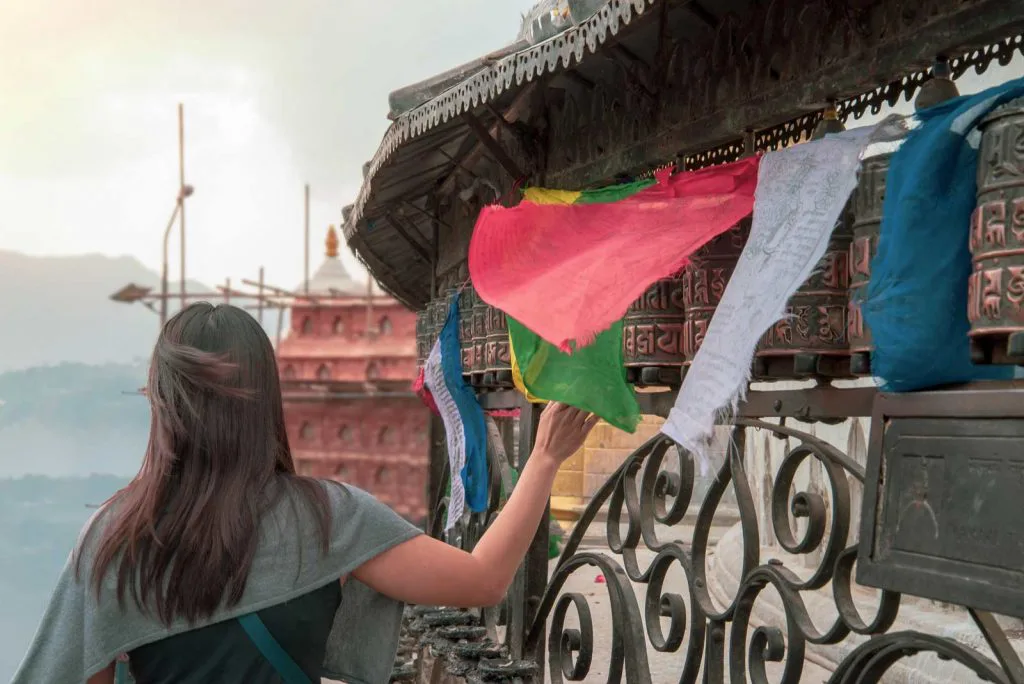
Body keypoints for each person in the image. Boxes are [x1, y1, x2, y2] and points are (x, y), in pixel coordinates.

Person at [12, 303, 598, 684]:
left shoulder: (113, 541)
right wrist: (543, 459)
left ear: (163, 406)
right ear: (269, 398)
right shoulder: (328, 517)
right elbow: (482, 580)